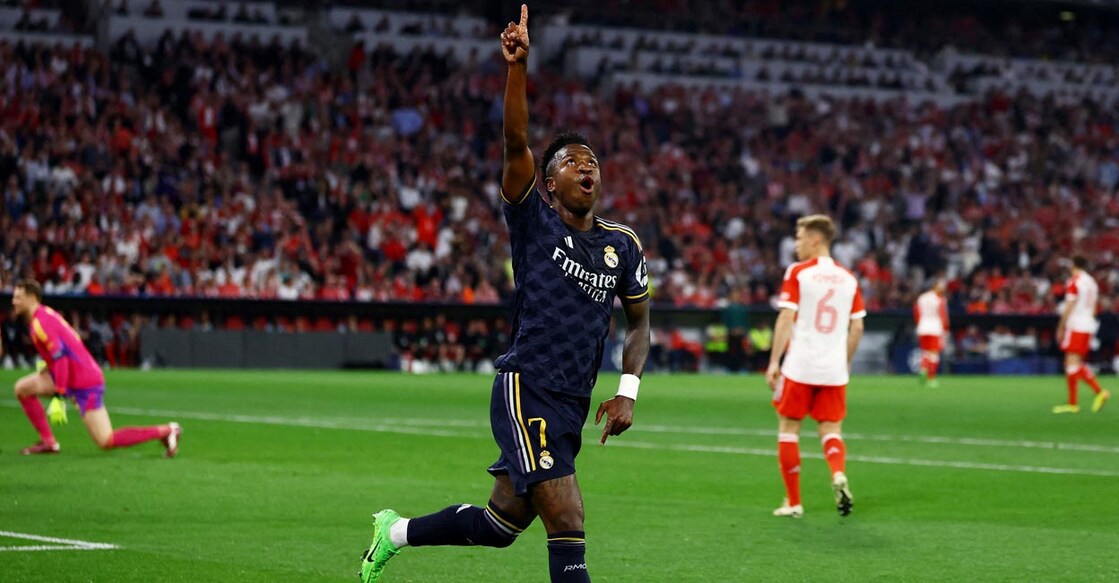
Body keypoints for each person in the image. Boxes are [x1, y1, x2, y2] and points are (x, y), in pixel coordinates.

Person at [359, 6, 651, 583]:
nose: (586, 169)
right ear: (549, 181)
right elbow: (516, 140)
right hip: (527, 385)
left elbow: (640, 323)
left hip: (571, 400)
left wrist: (628, 392)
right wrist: (517, 68)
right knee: (567, 516)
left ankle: (392, 531)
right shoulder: (534, 223)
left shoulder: (624, 246)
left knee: (501, 523)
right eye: (572, 163)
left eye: (592, 162)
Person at [765, 215, 865, 518]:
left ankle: (794, 502)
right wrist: (843, 361)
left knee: (788, 429)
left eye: (799, 238)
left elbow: (785, 318)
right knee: (831, 429)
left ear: (815, 239)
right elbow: (857, 327)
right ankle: (837, 473)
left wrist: (774, 361)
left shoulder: (798, 272)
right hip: (834, 368)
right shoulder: (849, 278)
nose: (795, 244)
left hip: (800, 365)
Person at [11, 280, 181, 456]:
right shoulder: (45, 315)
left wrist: (59, 396)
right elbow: (70, 343)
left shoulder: (41, 322)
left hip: (84, 382)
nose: (13, 301)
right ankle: (49, 442)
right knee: (23, 388)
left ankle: (167, 430)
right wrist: (49, 366)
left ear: (31, 298)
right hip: (70, 375)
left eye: (18, 297)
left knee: (106, 440)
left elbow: (61, 358)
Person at [1052, 256, 1110, 414]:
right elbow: (1094, 305)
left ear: (1073, 264)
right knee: (1072, 363)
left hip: (1076, 324)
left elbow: (1069, 306)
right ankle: (1073, 403)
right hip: (1088, 324)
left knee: (1071, 365)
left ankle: (1098, 392)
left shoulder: (1074, 282)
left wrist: (1061, 327)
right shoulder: (1091, 282)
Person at [914, 278, 949, 387]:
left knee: (925, 352)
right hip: (935, 327)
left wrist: (920, 324)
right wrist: (946, 329)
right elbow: (943, 315)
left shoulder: (922, 297)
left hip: (922, 327)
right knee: (934, 353)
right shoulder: (940, 299)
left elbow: (916, 312)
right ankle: (931, 378)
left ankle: (923, 368)